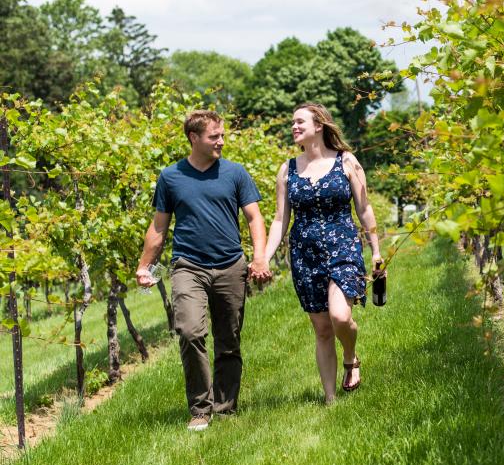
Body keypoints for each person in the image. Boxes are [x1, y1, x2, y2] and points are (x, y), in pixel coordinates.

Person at [137, 110, 271, 432]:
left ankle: (225, 407)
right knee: (190, 331)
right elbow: (159, 227)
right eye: (215, 137)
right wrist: (145, 266)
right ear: (194, 138)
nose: (221, 141)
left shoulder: (235, 173)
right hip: (188, 266)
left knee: (229, 340)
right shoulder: (171, 177)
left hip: (230, 266)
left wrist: (260, 258)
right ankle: (200, 409)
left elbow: (255, 217)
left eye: (222, 135)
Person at [264, 103, 382, 405]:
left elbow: (364, 208)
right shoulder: (287, 170)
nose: (294, 126)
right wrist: (263, 257)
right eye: (292, 122)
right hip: (305, 255)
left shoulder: (346, 161)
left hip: (343, 246)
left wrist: (376, 250)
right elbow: (280, 220)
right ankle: (330, 399)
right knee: (322, 329)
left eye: (300, 121)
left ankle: (351, 356)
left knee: (340, 316)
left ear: (319, 125)